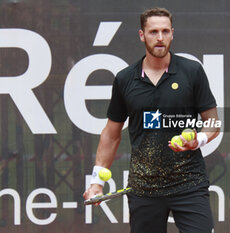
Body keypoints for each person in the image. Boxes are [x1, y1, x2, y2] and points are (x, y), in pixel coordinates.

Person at [83, 7, 220, 233]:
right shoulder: (125, 79)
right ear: (141, 35)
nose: (160, 38)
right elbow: (111, 134)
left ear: (172, 34)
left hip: (189, 185)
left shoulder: (192, 71)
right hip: (144, 189)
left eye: (165, 31)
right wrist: (97, 181)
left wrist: (200, 140)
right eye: (153, 31)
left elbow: (213, 121)